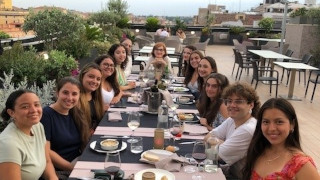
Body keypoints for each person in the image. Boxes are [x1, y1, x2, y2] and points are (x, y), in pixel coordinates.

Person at [243, 98, 320, 180]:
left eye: (279, 122)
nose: (271, 128)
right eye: (266, 122)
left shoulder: (302, 165)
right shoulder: (257, 150)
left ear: (292, 124)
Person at [205, 82, 261, 179]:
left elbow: (215, 155)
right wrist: (227, 143)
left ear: (251, 105)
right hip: (230, 172)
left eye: (238, 101)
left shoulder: (248, 129)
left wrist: (215, 142)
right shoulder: (232, 119)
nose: (232, 105)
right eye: (229, 101)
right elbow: (207, 137)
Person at [0, 90, 58, 180]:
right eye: (25, 107)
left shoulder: (37, 126)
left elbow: (47, 161)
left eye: (36, 104)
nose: (34, 110)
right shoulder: (8, 144)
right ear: (11, 113)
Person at [41, 77, 90, 178]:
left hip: (77, 161)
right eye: (65, 93)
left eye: (74, 94)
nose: (70, 98)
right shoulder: (46, 115)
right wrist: (72, 167)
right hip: (59, 170)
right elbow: (46, 151)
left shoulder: (76, 112)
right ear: (57, 93)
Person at [78, 63, 104, 133]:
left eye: (98, 79)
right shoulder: (76, 99)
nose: (95, 81)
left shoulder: (95, 97)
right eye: (91, 76)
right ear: (82, 76)